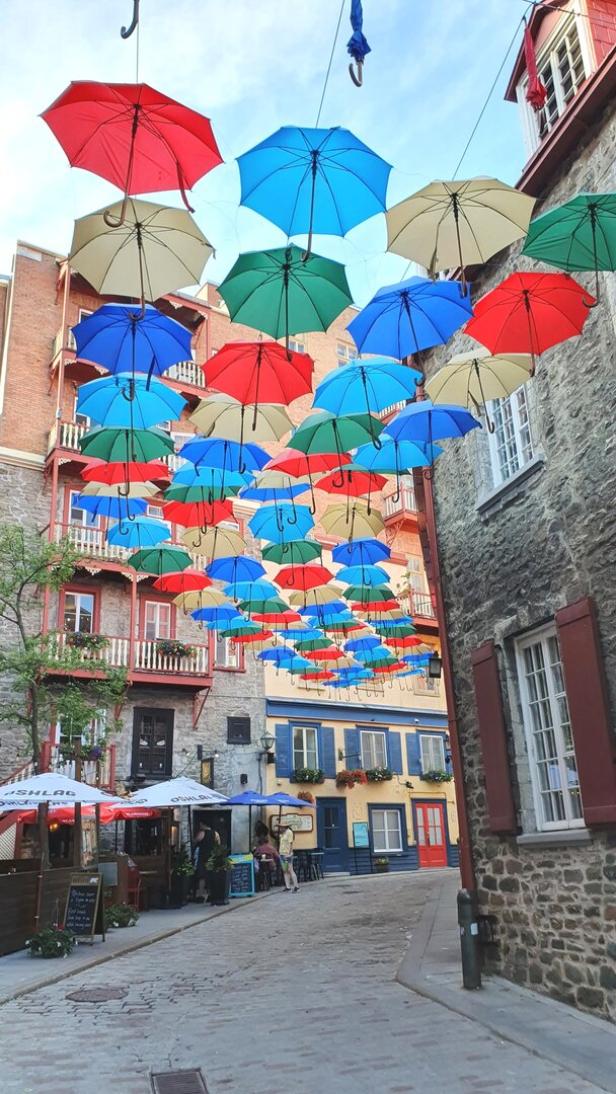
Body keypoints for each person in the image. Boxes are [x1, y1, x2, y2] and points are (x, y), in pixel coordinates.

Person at [192, 824, 220, 902]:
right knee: (211, 876)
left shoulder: (202, 832)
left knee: (202, 877)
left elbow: (196, 840)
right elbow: (218, 843)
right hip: (212, 857)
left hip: (203, 857)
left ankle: (200, 896)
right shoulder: (215, 833)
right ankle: (211, 895)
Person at [278, 823, 299, 892]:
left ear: (285, 827)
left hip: (287, 854)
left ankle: (296, 886)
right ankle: (288, 886)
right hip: (282, 853)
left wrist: (289, 853)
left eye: (281, 827)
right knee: (285, 870)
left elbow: (291, 843)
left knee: (290, 870)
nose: (280, 828)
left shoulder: (289, 832)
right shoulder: (283, 833)